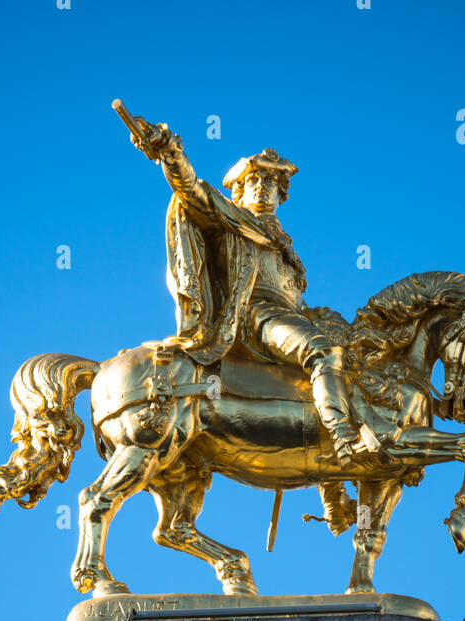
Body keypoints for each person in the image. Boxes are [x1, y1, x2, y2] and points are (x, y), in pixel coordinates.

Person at [126, 116, 373, 471]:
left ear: (281, 192)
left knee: (350, 367)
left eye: (271, 181)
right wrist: (170, 153)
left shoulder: (282, 240)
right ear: (238, 190)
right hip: (255, 318)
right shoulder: (229, 218)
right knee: (321, 352)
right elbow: (191, 189)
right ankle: (343, 438)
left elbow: (293, 301)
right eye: (253, 179)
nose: (262, 186)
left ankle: (331, 493)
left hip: (287, 318)